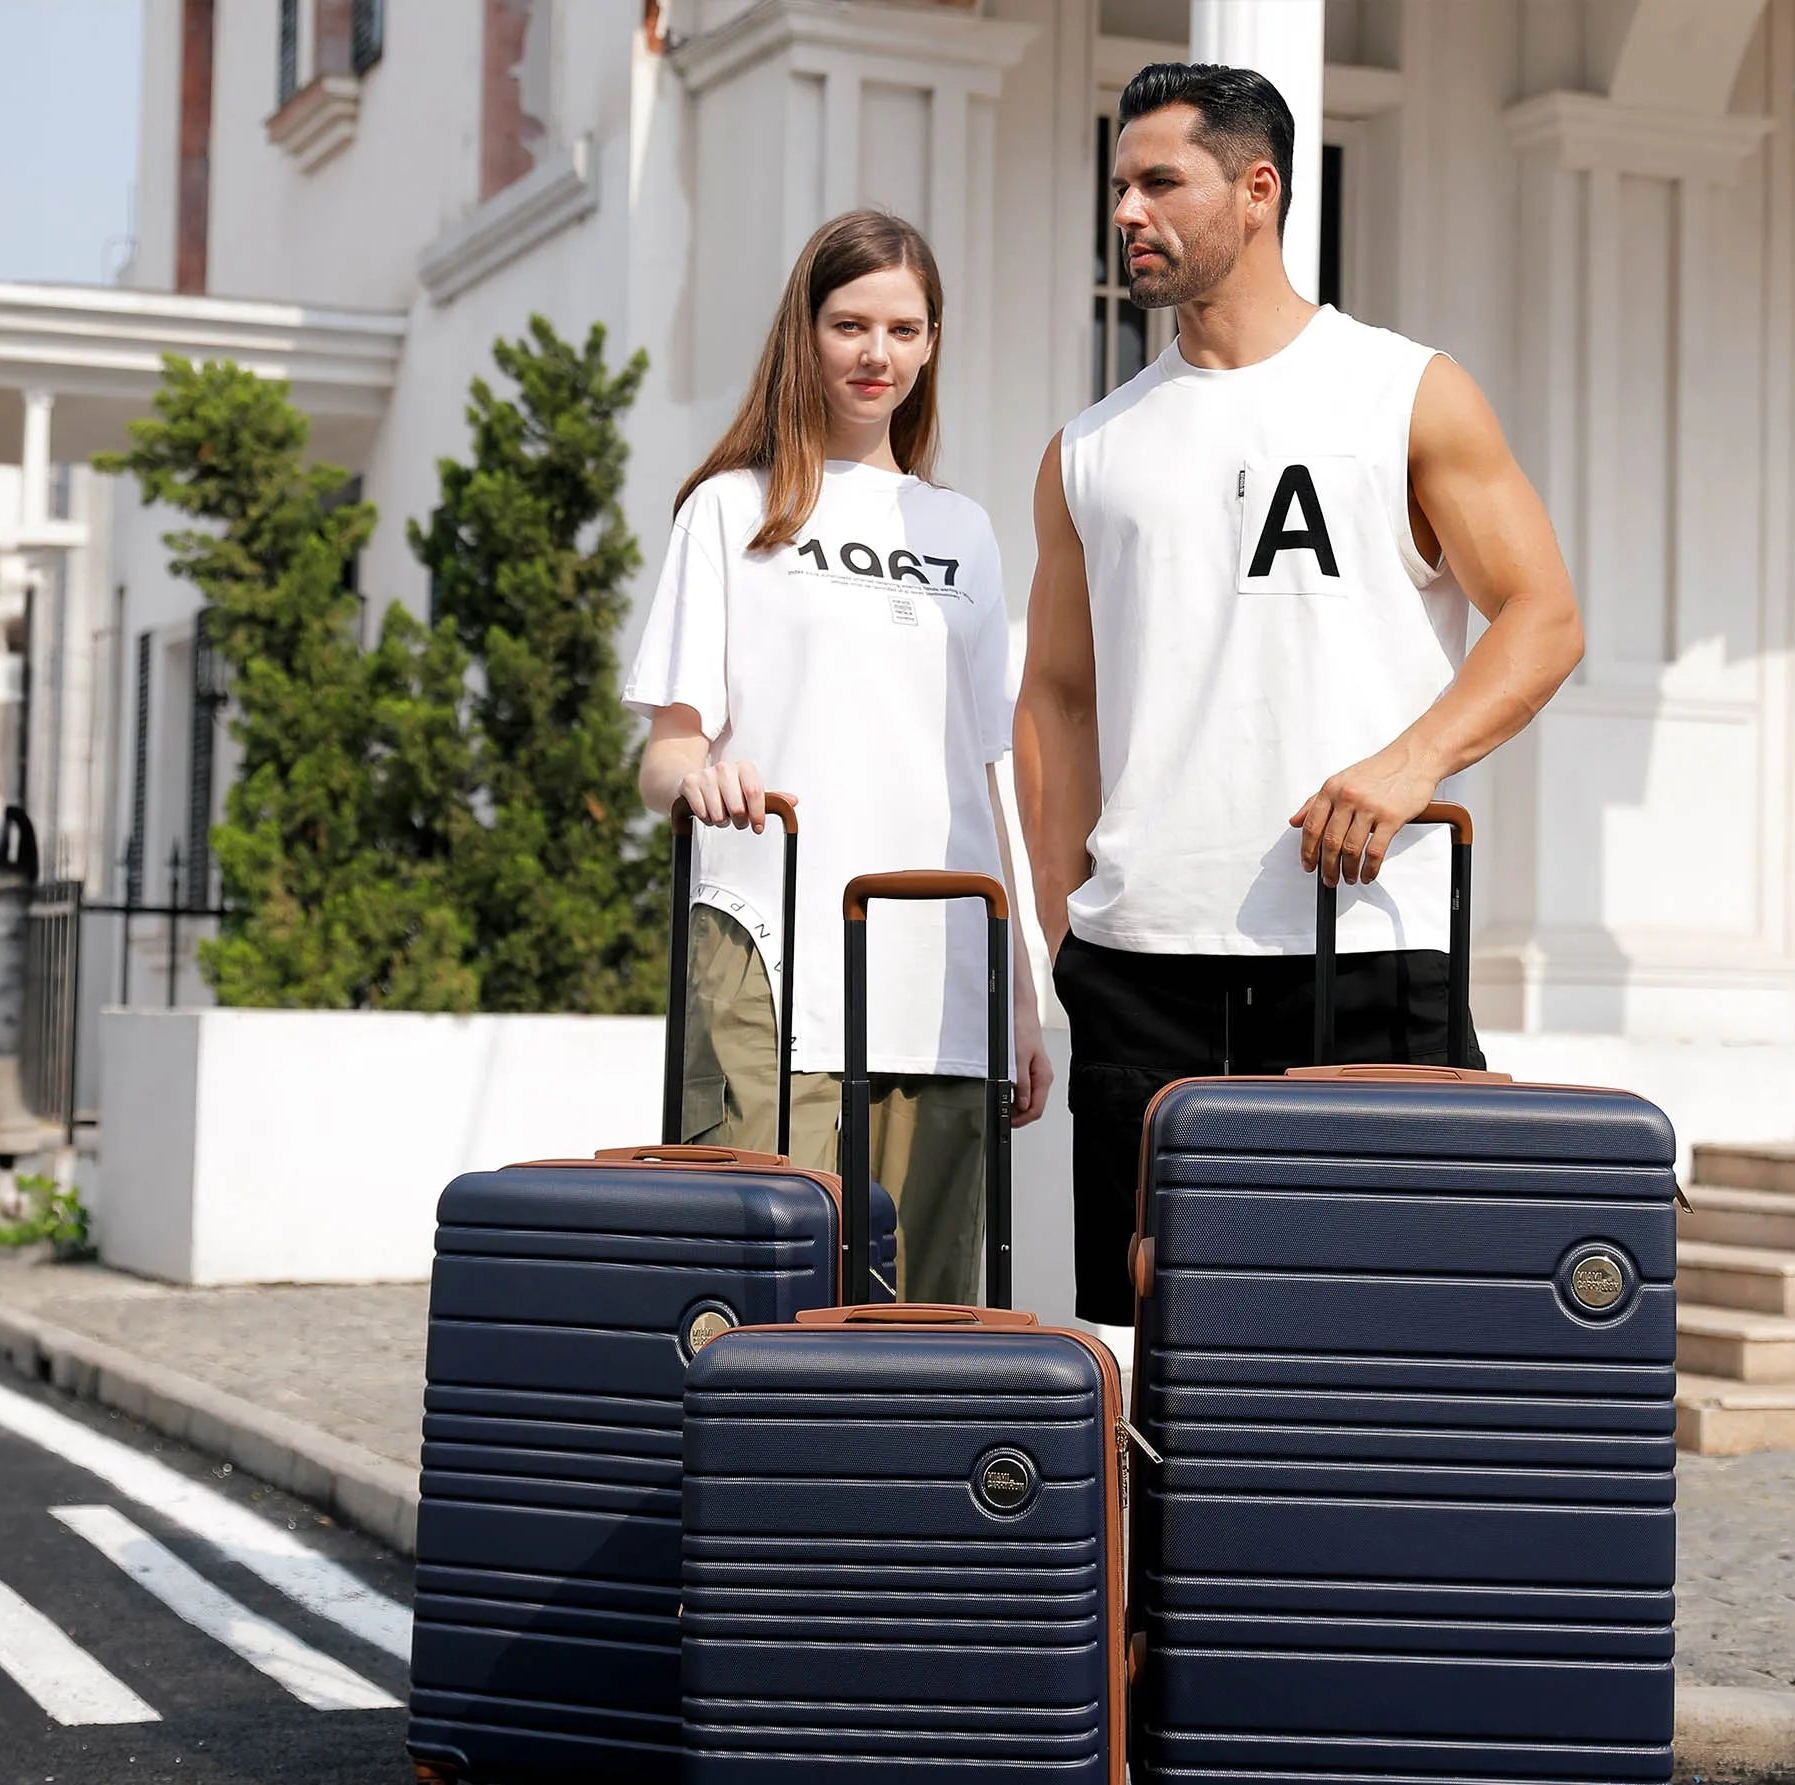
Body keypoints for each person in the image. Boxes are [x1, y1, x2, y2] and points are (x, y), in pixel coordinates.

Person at [1016, 64, 1585, 1332]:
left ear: (1256, 190)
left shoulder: (1401, 391)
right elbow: (1055, 698)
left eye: (1160, 181)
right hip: (1139, 969)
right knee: (1138, 1344)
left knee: (1380, 1340)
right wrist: (1066, 930)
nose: (1127, 211)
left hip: (1363, 947)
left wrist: (1407, 760)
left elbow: (1542, 618)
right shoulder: (1088, 449)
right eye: (1117, 185)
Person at [626, 208, 1051, 1305]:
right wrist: (702, 777)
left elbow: (984, 770)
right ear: (802, 333)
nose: (878, 355)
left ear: (931, 342)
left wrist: (1023, 996)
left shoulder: (962, 529)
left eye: (905, 329)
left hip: (945, 960)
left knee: (934, 1309)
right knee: (779, 1296)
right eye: (850, 324)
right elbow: (663, 755)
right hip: (777, 949)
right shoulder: (731, 509)